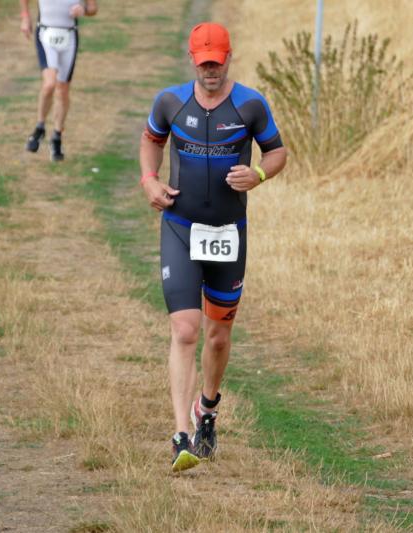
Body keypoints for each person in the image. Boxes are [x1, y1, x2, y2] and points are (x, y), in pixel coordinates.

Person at [139, 22, 288, 472]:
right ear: (192, 60)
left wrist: (258, 175)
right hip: (180, 227)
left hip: (228, 233)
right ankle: (180, 435)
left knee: (218, 336)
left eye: (217, 62)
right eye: (203, 63)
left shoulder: (250, 105)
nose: (210, 70)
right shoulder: (169, 102)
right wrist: (150, 181)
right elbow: (151, 140)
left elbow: (277, 153)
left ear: (228, 58)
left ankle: (206, 409)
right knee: (186, 330)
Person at [19, 0, 98, 161]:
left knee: (63, 90)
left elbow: (93, 8)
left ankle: (56, 137)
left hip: (69, 36)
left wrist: (83, 10)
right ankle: (40, 127)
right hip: (46, 33)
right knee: (49, 84)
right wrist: (26, 17)